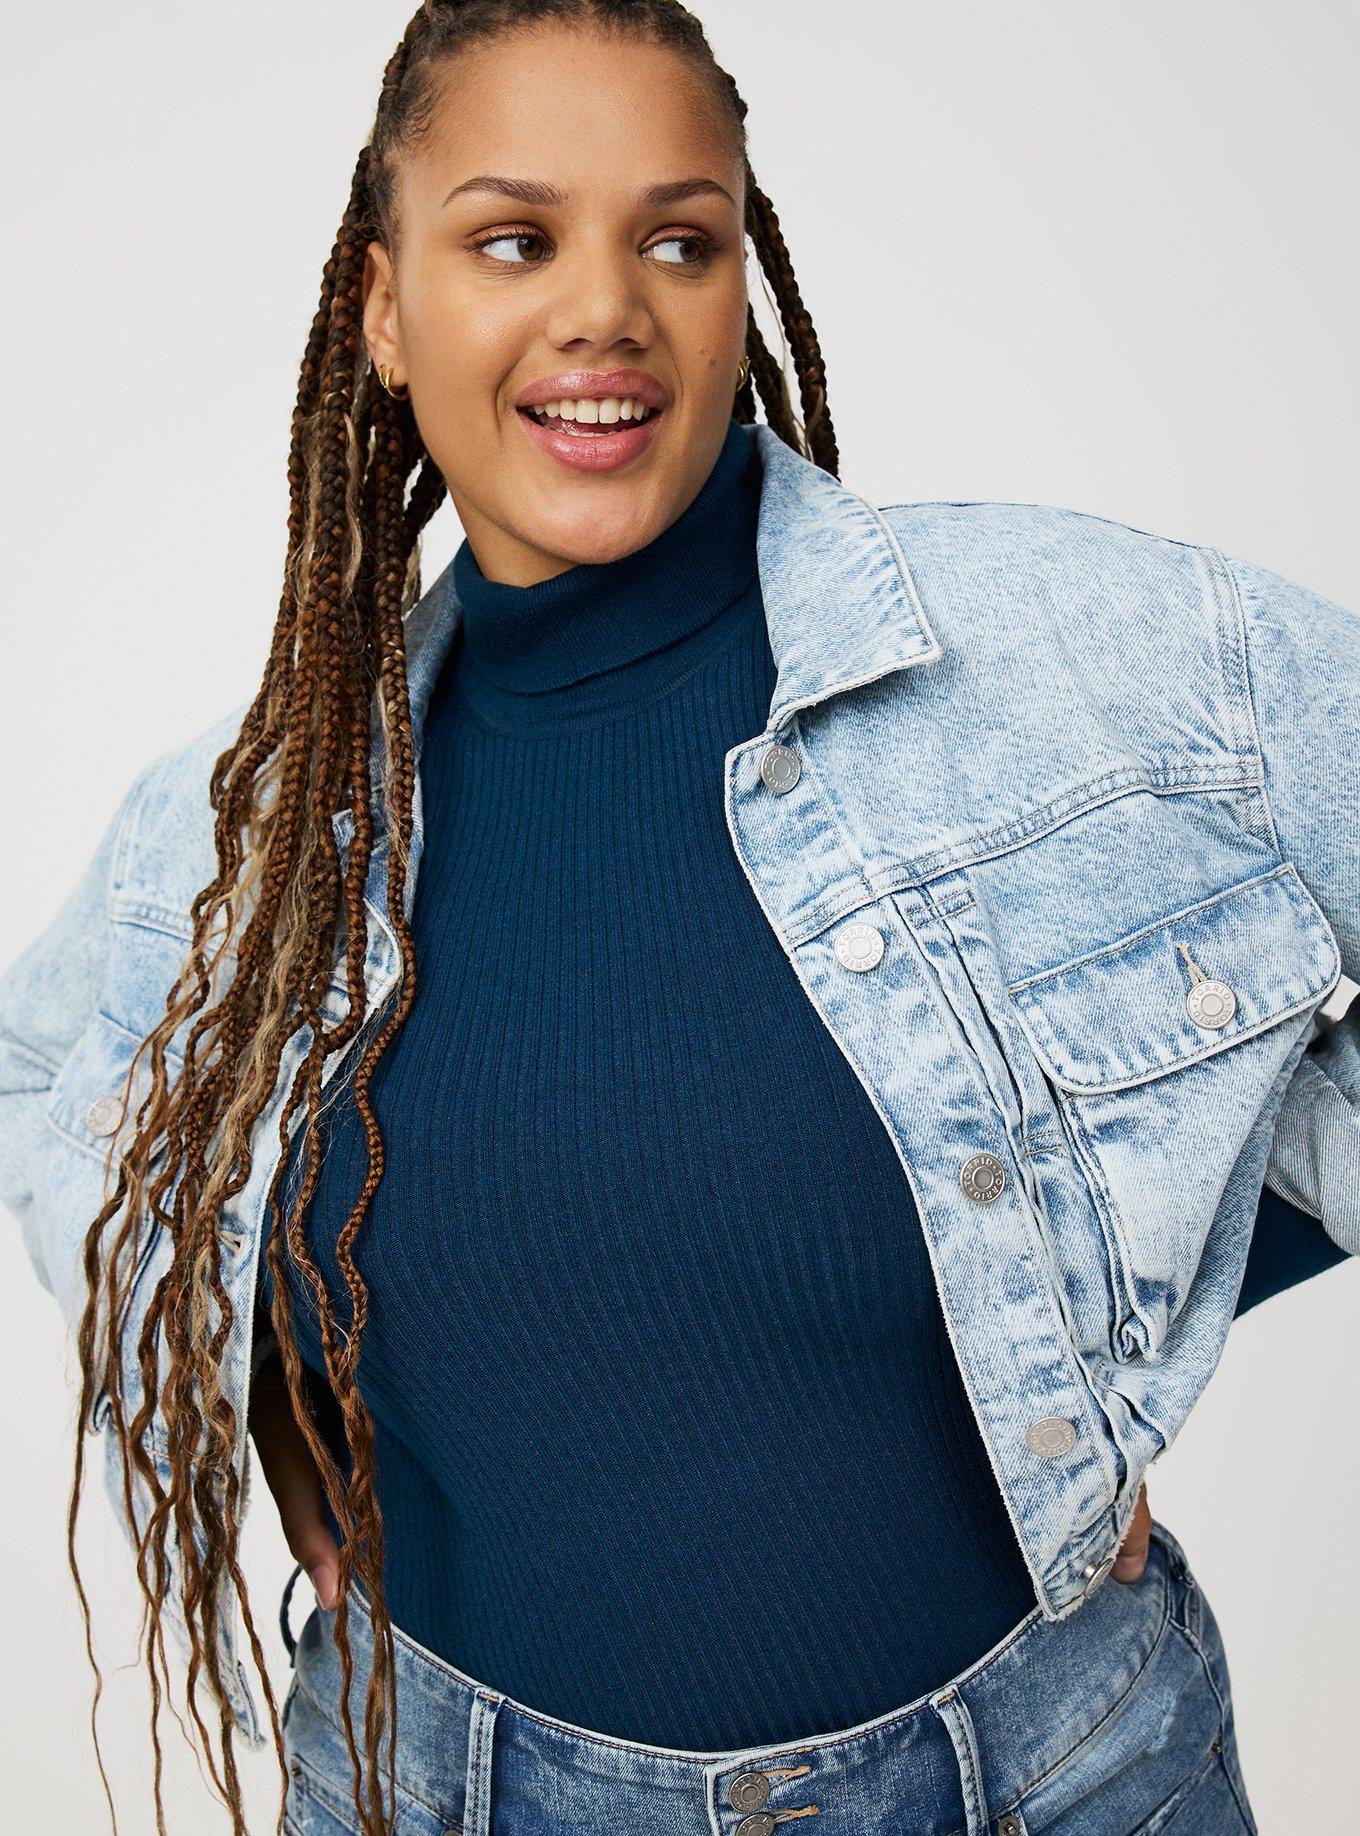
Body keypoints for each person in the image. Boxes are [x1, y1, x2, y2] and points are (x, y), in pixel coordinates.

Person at [0, 4, 1353, 1833]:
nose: (605, 310)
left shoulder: (1072, 651)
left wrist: (1116, 1309)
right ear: (385, 309)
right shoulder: (247, 838)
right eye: (512, 239)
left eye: (679, 240)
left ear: (736, 288)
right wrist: (256, 1379)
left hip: (1055, 1775)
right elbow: (43, 1080)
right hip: (451, 1791)